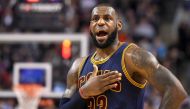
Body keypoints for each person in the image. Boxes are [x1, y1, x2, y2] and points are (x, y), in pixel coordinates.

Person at [59, 4, 187, 109]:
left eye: (107, 18)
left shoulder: (133, 56)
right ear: (90, 27)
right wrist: (84, 92)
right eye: (95, 18)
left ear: (119, 25)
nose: (101, 22)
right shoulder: (78, 66)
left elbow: (176, 91)